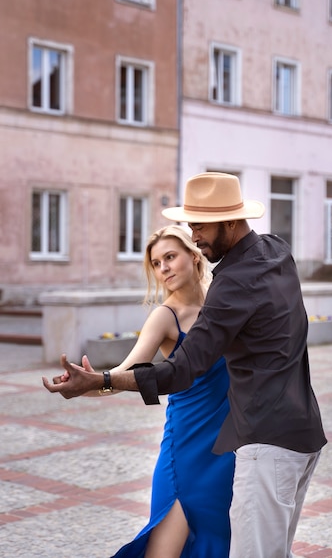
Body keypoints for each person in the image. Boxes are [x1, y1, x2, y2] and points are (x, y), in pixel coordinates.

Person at [43, 172, 327, 558]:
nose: (195, 235)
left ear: (230, 220)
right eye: (191, 226)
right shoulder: (278, 252)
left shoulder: (230, 287)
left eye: (199, 226)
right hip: (299, 434)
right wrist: (99, 382)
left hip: (263, 443)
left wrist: (104, 379)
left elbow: (181, 371)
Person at [54, 225, 235, 558]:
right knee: (163, 550)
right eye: (156, 263)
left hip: (226, 449)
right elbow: (126, 375)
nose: (163, 268)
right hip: (186, 446)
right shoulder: (164, 317)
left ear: (194, 257)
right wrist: (87, 385)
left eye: (170, 257)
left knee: (217, 541)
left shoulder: (222, 301)